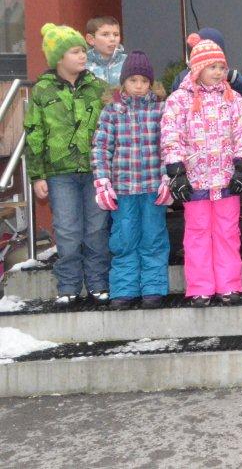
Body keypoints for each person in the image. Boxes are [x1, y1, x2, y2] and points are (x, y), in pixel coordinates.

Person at [160, 34, 242, 307]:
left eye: (221, 67)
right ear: (198, 68)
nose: (218, 72)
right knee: (197, 234)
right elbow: (171, 135)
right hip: (196, 179)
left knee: (228, 232)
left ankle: (229, 284)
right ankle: (200, 287)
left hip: (225, 178)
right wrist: (176, 170)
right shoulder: (179, 100)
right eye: (212, 67)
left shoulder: (233, 98)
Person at [25, 24, 109, 306]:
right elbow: (34, 133)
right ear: (59, 58)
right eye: (75, 52)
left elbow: (113, 124)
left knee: (97, 229)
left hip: (96, 170)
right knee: (67, 230)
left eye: (83, 51)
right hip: (59, 173)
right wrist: (37, 175)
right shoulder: (42, 90)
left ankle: (98, 282)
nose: (82, 56)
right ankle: (69, 285)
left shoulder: (97, 87)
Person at [91, 51, 173, 309]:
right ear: (123, 82)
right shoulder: (111, 112)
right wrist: (103, 181)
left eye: (144, 81)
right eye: (133, 80)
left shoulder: (160, 110)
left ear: (151, 83)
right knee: (124, 239)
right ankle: (124, 288)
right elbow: (101, 148)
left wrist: (168, 177)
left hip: (153, 188)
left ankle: (153, 287)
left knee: (153, 237)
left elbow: (169, 145)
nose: (139, 86)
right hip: (123, 189)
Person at [171, 27, 242, 108]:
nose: (217, 72)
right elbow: (175, 109)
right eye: (211, 66)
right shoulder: (184, 79)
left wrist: (234, 78)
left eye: (219, 66)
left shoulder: (228, 79)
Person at [84, 16, 126, 87]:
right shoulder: (82, 65)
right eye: (105, 34)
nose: (112, 39)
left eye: (116, 35)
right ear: (91, 39)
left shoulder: (128, 63)